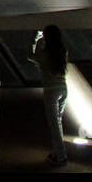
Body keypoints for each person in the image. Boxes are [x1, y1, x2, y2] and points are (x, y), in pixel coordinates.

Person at [31, 25, 69, 166]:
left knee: (54, 124)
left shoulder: (44, 54)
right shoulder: (63, 51)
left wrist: (34, 38)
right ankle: (58, 152)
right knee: (57, 122)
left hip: (51, 90)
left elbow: (29, 55)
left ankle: (60, 156)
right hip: (63, 88)